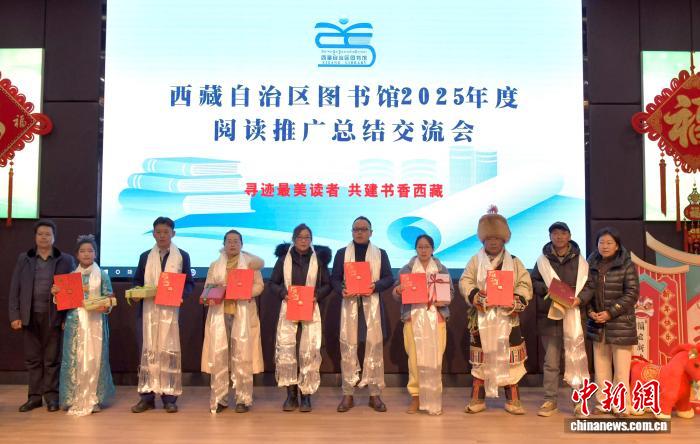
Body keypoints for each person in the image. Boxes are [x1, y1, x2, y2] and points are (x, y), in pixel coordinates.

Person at [459, 207, 532, 415]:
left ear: (504, 240)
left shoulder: (514, 262)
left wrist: (516, 299)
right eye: (489, 238)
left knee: (510, 359)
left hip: (508, 318)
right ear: (483, 240)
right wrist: (476, 295)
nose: (493, 242)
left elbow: (524, 284)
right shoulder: (475, 261)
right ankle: (478, 398)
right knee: (482, 359)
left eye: (497, 238)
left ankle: (512, 399)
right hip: (482, 317)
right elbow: (465, 281)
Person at [9, 219, 75, 412]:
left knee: (52, 360)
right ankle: (34, 397)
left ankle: (52, 397)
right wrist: (14, 315)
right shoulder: (24, 258)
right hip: (29, 316)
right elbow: (15, 288)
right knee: (33, 359)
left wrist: (66, 318)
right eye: (40, 234)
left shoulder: (66, 260)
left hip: (53, 316)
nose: (44, 237)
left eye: (47, 234)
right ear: (35, 237)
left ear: (54, 237)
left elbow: (72, 291)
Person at [131, 216, 194, 413]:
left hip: (170, 312)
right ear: (153, 234)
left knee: (169, 352)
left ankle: (169, 398)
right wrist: (136, 293)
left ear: (173, 233)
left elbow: (189, 283)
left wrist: (181, 295)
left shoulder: (182, 256)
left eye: (166, 232)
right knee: (148, 352)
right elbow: (137, 281)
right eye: (158, 232)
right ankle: (147, 397)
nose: (162, 235)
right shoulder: (145, 256)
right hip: (148, 312)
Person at [330, 216, 394, 413]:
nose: (359, 232)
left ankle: (374, 394)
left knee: (373, 346)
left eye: (363, 229)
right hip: (350, 306)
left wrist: (375, 286)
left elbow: (389, 278)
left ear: (371, 232)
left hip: (371, 307)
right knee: (348, 348)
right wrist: (341, 289)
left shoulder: (380, 253)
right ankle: (348, 394)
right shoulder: (342, 253)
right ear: (351, 232)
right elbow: (334, 279)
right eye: (356, 229)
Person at [268, 224, 332, 413]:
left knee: (308, 351)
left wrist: (317, 296)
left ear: (311, 240)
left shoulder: (318, 259)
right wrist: (283, 294)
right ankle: (291, 395)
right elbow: (273, 283)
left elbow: (327, 284)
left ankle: (306, 396)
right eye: (300, 237)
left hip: (310, 309)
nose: (304, 241)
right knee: (288, 351)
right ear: (293, 239)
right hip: (289, 308)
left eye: (307, 238)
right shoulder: (283, 259)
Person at [577, 227, 640, 416]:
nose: (604, 246)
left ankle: (621, 405)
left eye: (609, 243)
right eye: (601, 242)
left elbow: (632, 293)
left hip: (621, 324)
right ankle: (602, 404)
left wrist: (610, 313)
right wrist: (590, 311)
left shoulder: (627, 264)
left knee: (621, 370)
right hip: (598, 323)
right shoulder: (590, 263)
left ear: (617, 245)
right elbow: (586, 290)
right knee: (601, 368)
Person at [202, 229, 264, 414]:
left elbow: (259, 286)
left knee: (242, 357)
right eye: (229, 241)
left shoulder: (250, 265)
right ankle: (220, 399)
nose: (232, 244)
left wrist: (246, 292)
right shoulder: (215, 265)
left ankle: (242, 399)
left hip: (242, 315)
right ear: (223, 244)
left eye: (236, 241)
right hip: (220, 315)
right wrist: (215, 289)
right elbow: (207, 287)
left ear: (242, 244)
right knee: (220, 356)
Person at [530, 222, 588, 417]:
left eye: (563, 233)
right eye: (555, 233)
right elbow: (534, 282)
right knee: (551, 363)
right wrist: (549, 291)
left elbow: (590, 285)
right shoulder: (542, 261)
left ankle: (578, 402)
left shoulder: (581, 261)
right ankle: (550, 400)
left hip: (574, 315)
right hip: (550, 317)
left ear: (569, 236)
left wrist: (580, 299)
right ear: (550, 237)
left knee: (576, 358)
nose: (559, 237)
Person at [53, 234, 115, 416]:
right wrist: (57, 293)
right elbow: (65, 302)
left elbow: (110, 299)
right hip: (75, 323)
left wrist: (106, 305)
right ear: (77, 255)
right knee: (74, 359)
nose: (87, 254)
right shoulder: (71, 277)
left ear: (96, 254)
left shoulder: (103, 276)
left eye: (90, 251)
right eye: (82, 251)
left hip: (96, 323)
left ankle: (95, 398)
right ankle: (72, 398)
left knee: (95, 359)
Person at [392, 234, 453, 415]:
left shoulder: (441, 269)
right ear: (416, 249)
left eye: (427, 247)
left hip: (437, 319)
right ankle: (416, 397)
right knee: (414, 360)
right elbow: (395, 294)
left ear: (433, 249)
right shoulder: (406, 269)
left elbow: (451, 292)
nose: (424, 250)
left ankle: (434, 396)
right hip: (413, 319)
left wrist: (444, 300)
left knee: (435, 359)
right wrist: (398, 290)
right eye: (420, 247)